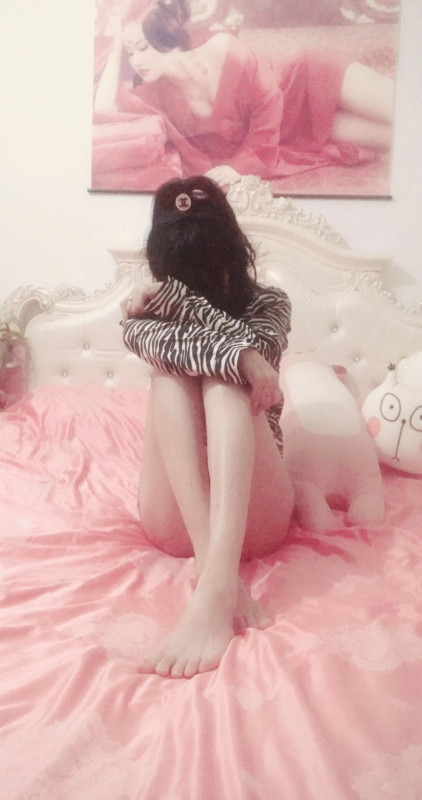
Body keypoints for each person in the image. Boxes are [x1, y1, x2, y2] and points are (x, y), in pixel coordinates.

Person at [120, 175, 294, 678]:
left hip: (256, 518)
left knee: (226, 380)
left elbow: (254, 352)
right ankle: (218, 575)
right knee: (170, 374)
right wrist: (240, 354)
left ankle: (214, 584)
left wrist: (180, 303)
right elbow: (156, 342)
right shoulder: (147, 312)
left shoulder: (270, 304)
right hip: (178, 522)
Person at [94, 0, 395, 189]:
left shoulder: (221, 48)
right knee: (399, 138)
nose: (137, 61)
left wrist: (238, 168)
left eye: (143, 47)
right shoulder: (154, 93)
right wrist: (120, 38)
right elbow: (104, 106)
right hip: (298, 134)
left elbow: (269, 101)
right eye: (131, 52)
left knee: (405, 112)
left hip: (311, 79)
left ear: (168, 37)